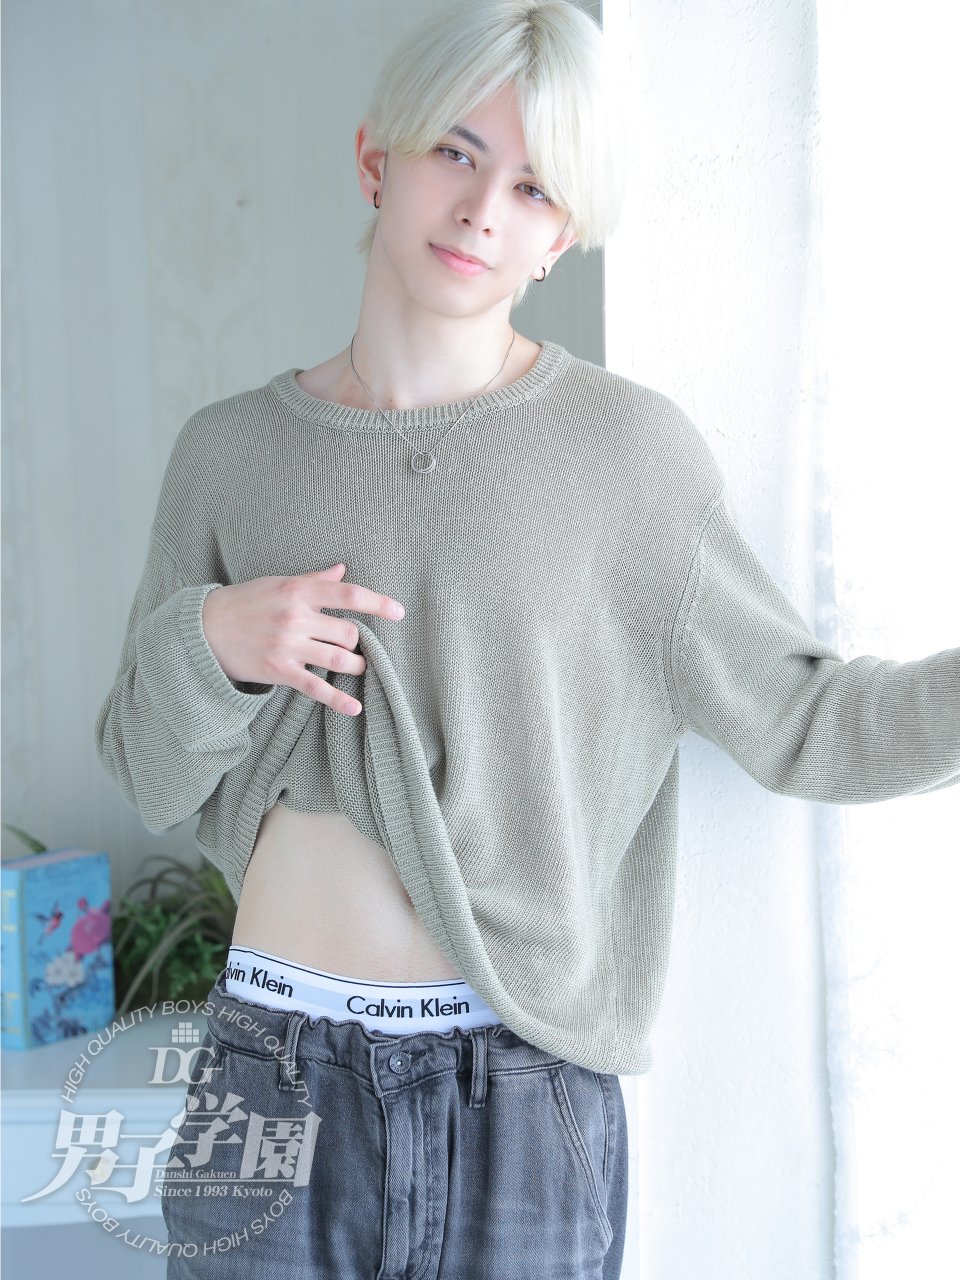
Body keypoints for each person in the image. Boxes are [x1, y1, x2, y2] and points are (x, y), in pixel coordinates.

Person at [93, 1, 959, 1277]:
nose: (483, 208)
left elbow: (807, 719)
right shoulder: (228, 453)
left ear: (565, 235)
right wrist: (214, 638)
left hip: (520, 1089)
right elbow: (147, 767)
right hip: (267, 1069)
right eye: (456, 151)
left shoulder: (630, 456)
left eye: (536, 185)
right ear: (376, 157)